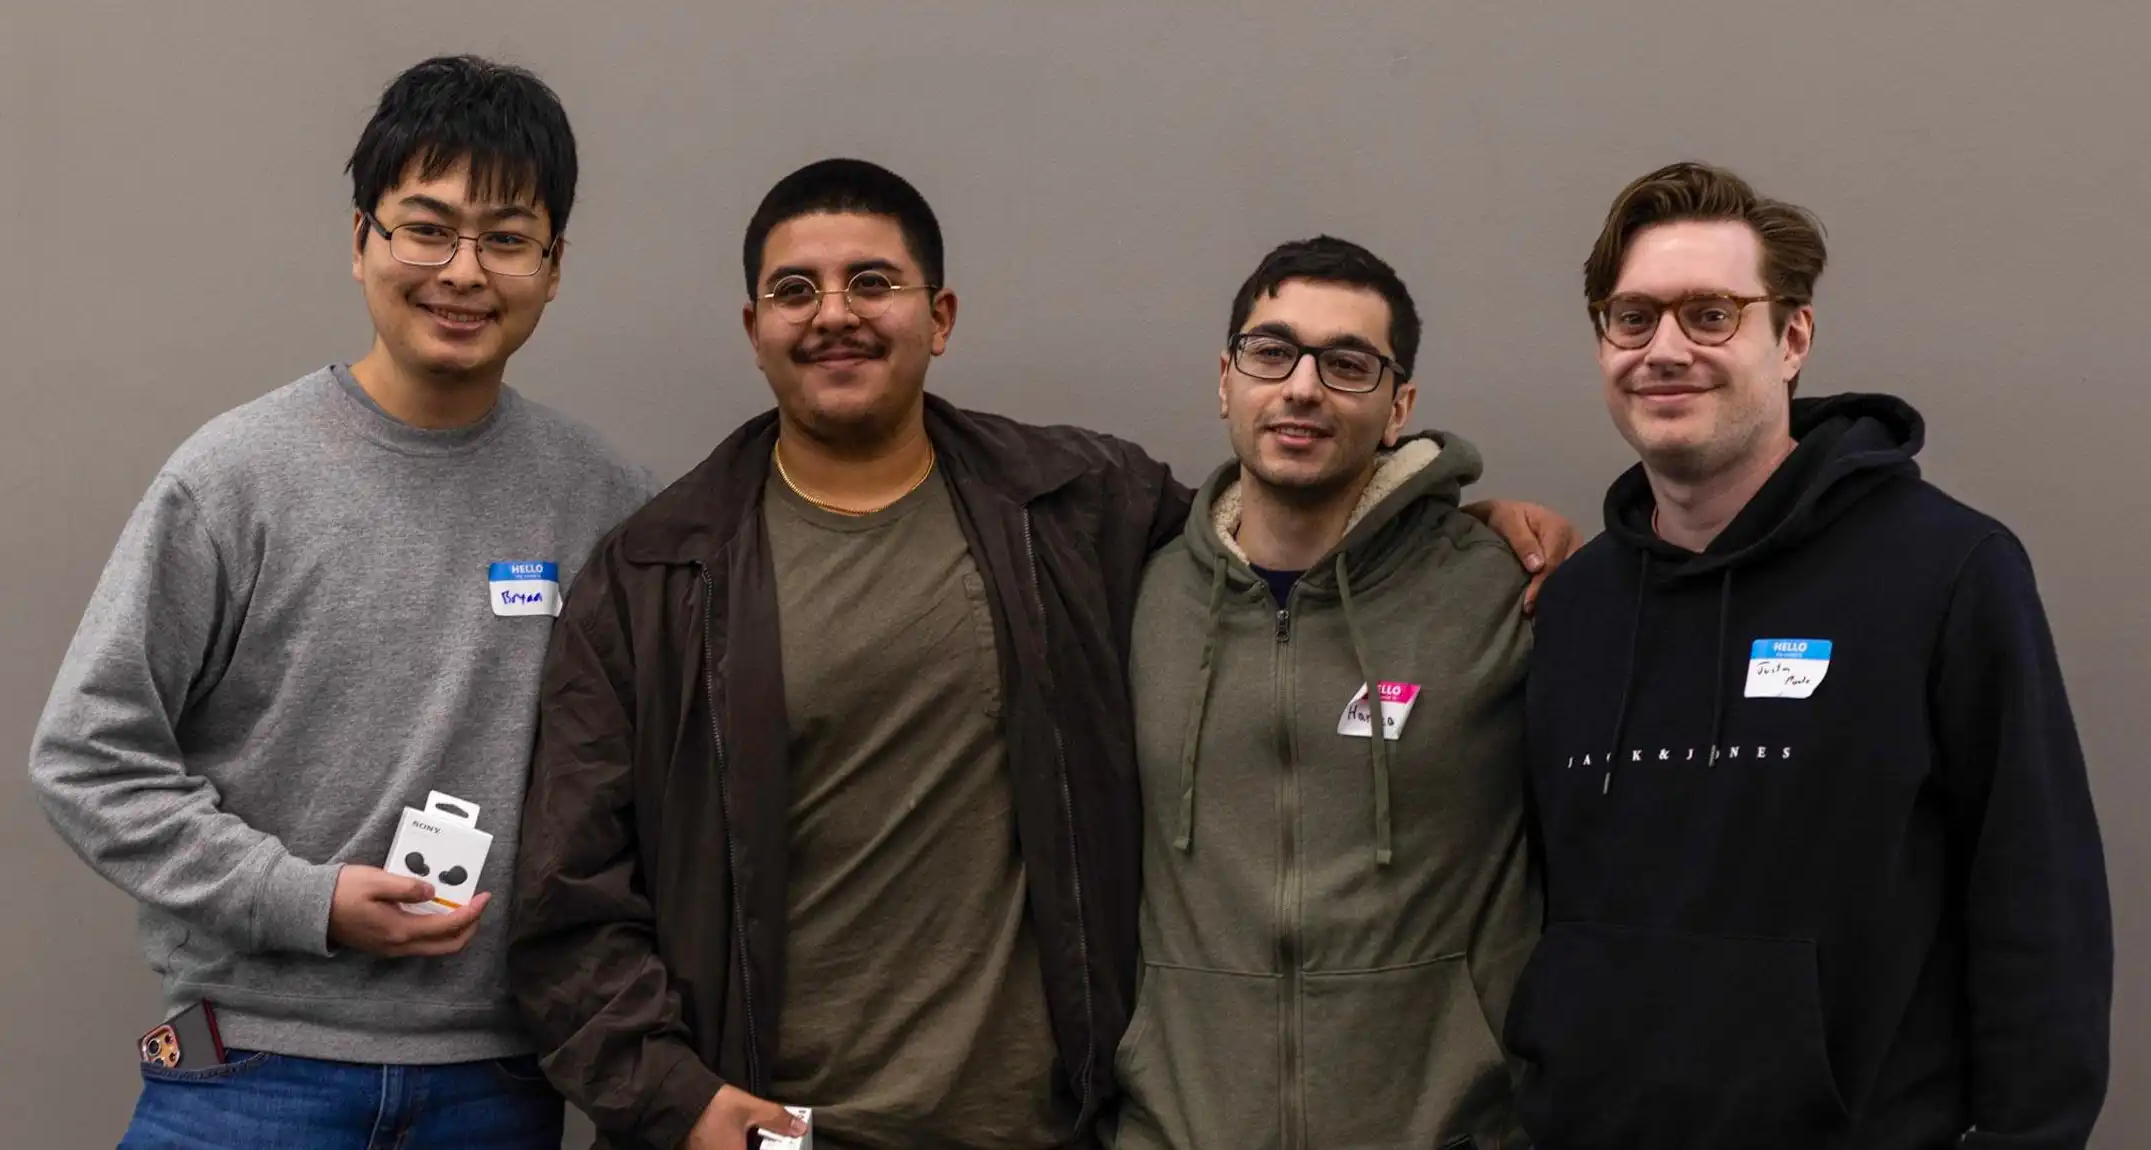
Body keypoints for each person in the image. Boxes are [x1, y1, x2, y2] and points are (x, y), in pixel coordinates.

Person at [507, 159, 1575, 1150]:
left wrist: (1451, 527)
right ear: (754, 327)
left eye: (870, 281)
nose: (833, 313)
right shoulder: (654, 576)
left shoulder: (1072, 510)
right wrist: (679, 1100)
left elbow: (1279, 528)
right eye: (796, 291)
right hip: (774, 1129)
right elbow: (565, 899)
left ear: (940, 316)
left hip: (1033, 1126)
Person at [27, 55, 657, 1149]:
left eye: (506, 239)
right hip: (252, 1070)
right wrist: (301, 900)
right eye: (426, 227)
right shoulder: (233, 477)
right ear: (360, 238)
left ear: (552, 269)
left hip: (500, 1083)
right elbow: (85, 757)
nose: (463, 270)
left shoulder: (602, 499)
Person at [1505, 161, 2113, 1148]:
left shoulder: (1946, 571)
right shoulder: (1570, 607)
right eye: (1631, 318)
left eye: (1708, 314)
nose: (1664, 349)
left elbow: (2035, 907)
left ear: (1790, 338)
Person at [1109, 236, 1537, 1150]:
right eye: (1272, 352)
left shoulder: (1499, 589)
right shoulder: (1139, 603)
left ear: (1399, 407)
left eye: (1348, 364)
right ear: (1226, 380)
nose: (1302, 387)